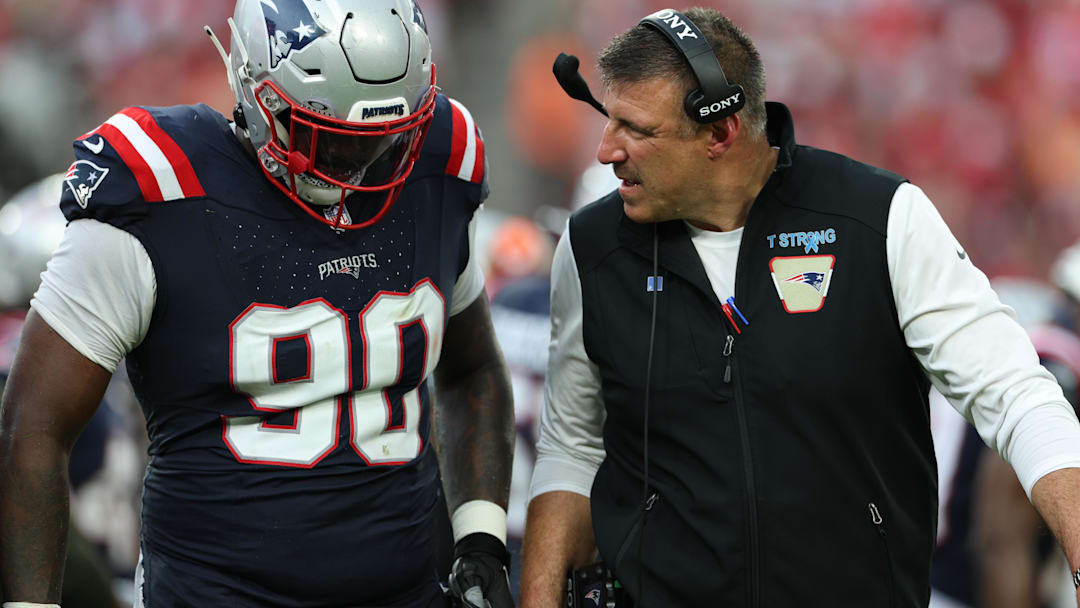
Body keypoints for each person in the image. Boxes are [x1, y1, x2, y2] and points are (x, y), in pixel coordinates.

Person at [519, 7, 1080, 607]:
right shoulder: (591, 248)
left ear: (720, 132)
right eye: (610, 120)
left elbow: (1017, 394)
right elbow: (573, 447)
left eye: (639, 130)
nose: (606, 151)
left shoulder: (881, 219)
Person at [0, 1, 516, 607]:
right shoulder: (161, 193)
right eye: (333, 139)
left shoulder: (437, 162)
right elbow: (33, 421)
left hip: (406, 590)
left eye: (387, 139)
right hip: (217, 594)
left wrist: (480, 541)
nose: (365, 165)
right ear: (257, 95)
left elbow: (474, 370)